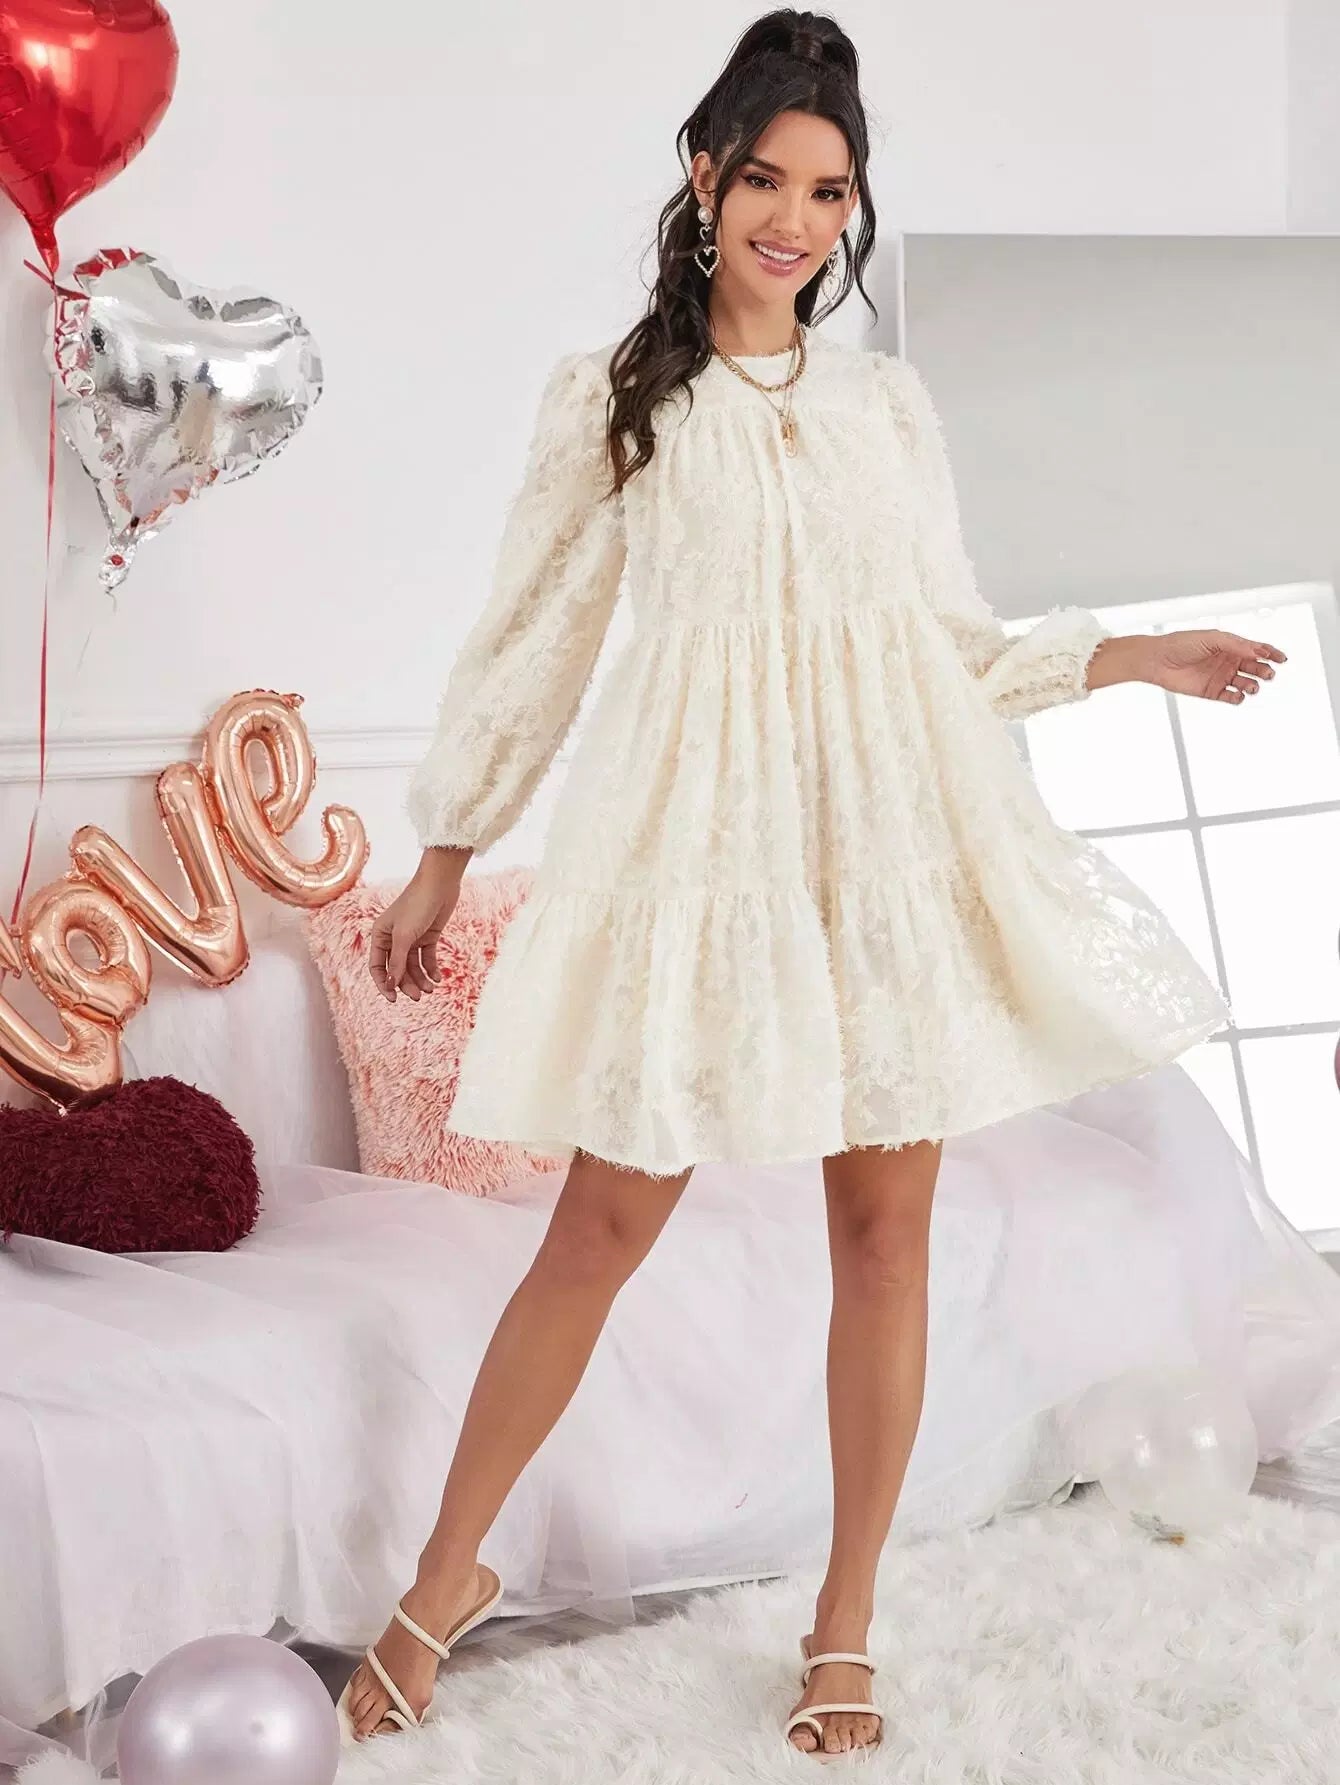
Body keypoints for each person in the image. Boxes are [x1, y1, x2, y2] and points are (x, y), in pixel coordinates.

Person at [345, 6, 1286, 1758]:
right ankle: (442, 1576)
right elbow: (534, 639)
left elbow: (945, 640)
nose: (796, 219)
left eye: (830, 191)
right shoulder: (616, 402)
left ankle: (844, 1617)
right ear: (705, 177)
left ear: (854, 209)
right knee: (601, 1226)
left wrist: (1125, 656)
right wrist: (446, 850)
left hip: (876, 855)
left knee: (884, 1232)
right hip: (701, 859)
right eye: (768, 179)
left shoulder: (884, 407)